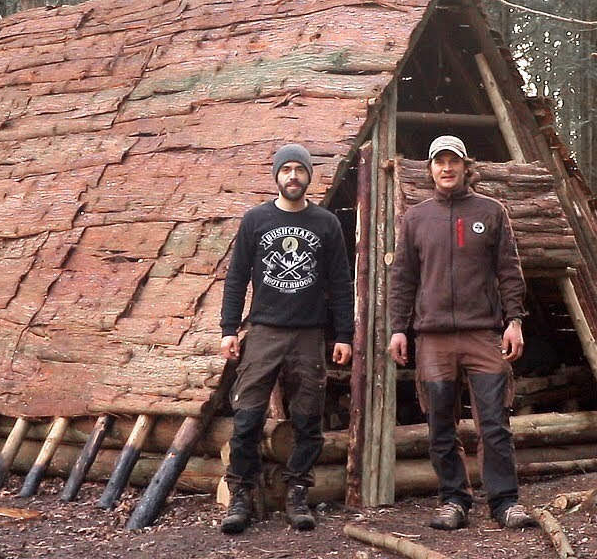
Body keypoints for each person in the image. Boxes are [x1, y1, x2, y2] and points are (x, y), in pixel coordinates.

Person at [387, 135, 535, 531]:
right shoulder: (415, 219)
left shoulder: (492, 211)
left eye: (453, 161)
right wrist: (398, 329)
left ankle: (505, 502)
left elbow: (509, 271)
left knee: (494, 423)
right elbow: (402, 279)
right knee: (440, 424)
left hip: (483, 334)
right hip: (433, 338)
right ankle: (454, 500)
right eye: (439, 161)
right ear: (430, 169)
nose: (447, 168)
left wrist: (515, 321)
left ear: (466, 166)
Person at [219, 143, 354, 534]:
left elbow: (340, 283)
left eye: (299, 169)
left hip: (309, 333)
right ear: (276, 175)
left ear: (309, 176)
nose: (293, 176)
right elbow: (236, 277)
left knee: (308, 418)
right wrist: (229, 328)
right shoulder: (255, 220)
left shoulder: (326, 223)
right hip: (264, 330)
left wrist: (343, 334)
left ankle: (297, 492)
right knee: (247, 417)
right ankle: (241, 495)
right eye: (286, 169)